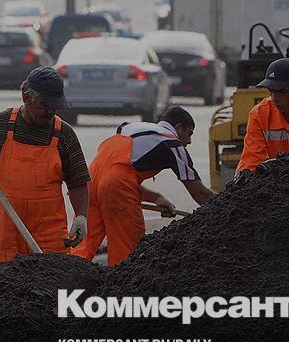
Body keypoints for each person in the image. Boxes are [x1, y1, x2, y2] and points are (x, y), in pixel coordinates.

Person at [0, 66, 91, 263]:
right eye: (44, 104)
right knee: (7, 277)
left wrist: (81, 217)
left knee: (51, 277)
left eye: (55, 106)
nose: (50, 111)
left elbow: (78, 181)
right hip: (9, 229)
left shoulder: (64, 135)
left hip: (49, 232)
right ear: (26, 97)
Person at [72, 107, 215, 265]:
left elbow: (116, 175)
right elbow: (199, 192)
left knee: (81, 246)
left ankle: (68, 277)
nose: (189, 141)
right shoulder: (172, 144)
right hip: (114, 186)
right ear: (178, 127)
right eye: (189, 134)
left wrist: (156, 198)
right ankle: (123, 280)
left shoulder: (129, 128)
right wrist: (222, 209)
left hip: (89, 183)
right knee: (126, 251)